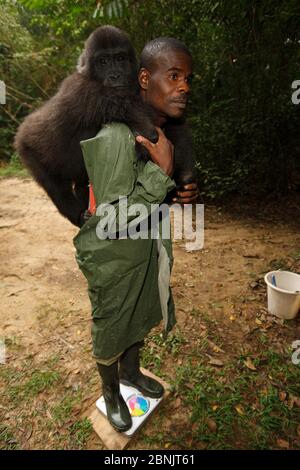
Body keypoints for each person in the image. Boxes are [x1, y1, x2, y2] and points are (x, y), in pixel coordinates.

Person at [73, 37, 197, 433]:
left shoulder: (159, 134)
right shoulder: (115, 135)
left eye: (188, 78)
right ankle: (111, 392)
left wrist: (173, 189)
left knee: (138, 315)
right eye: (173, 76)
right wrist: (160, 176)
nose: (184, 87)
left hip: (142, 252)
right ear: (144, 78)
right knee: (112, 326)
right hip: (113, 262)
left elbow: (145, 201)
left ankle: (131, 373)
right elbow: (109, 223)